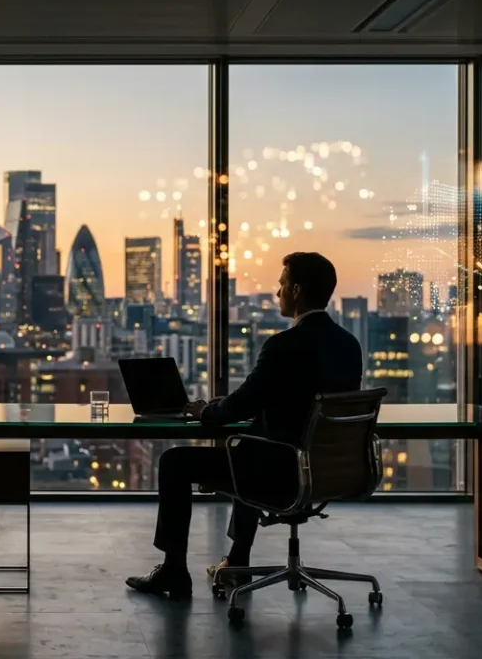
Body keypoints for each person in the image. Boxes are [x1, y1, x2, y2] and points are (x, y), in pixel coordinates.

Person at [125, 252, 363, 599]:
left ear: (297, 290)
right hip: (329, 471)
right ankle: (236, 561)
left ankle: (175, 570)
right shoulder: (349, 346)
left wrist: (205, 412)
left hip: (279, 470)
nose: (276, 292)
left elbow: (245, 402)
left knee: (176, 462)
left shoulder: (283, 346)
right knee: (252, 444)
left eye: (282, 285)